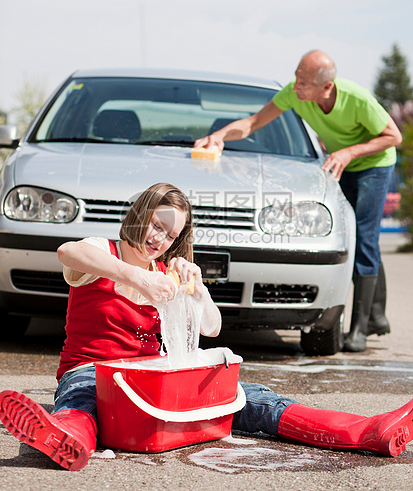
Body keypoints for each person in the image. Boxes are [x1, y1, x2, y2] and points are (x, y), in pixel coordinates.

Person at [0, 182, 412, 472]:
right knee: (84, 402)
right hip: (92, 372)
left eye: (170, 235)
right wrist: (138, 277)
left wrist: (196, 289)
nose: (159, 239)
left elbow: (212, 328)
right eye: (156, 225)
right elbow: (66, 251)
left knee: (252, 399)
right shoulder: (100, 252)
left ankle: (368, 431)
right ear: (139, 213)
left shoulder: (168, 272)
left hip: (152, 381)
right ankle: (64, 436)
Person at [194, 50, 403, 352]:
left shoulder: (357, 99)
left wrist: (348, 152)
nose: (296, 85)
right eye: (296, 76)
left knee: (365, 238)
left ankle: (359, 329)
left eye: (303, 81)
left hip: (373, 163)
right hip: (340, 163)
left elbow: (393, 136)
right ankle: (378, 317)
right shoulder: (294, 94)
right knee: (360, 238)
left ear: (326, 87)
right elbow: (253, 123)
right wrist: (220, 135)